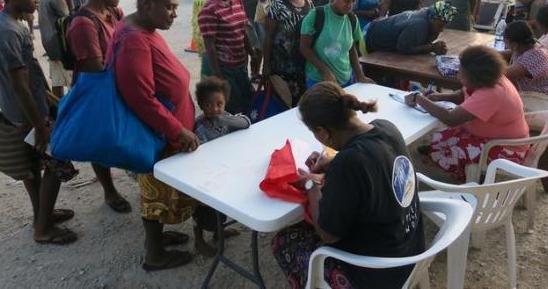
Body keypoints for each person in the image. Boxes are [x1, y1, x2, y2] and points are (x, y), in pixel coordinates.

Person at [272, 81, 425, 289]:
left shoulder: (350, 163)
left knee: (284, 240)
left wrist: (311, 185)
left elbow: (328, 235)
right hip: (410, 251)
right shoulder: (387, 127)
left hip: (378, 274)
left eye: (314, 133)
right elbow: (374, 159)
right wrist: (333, 161)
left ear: (323, 132)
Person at [107, 0, 201, 270]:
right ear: (148, 4)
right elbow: (141, 98)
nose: (175, 14)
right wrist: (177, 129)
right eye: (170, 8)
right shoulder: (134, 39)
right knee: (154, 190)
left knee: (161, 189)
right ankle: (155, 254)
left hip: (165, 130)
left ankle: (157, 239)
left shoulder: (143, 26)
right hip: (157, 134)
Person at [0, 0, 78, 245]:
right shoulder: (5, 31)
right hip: (26, 113)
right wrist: (39, 123)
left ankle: (42, 213)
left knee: (32, 165)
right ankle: (42, 229)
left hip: (29, 108)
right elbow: (19, 83)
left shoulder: (14, 22)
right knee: (56, 161)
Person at [407, 45, 529, 182]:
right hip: (495, 136)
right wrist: (441, 96)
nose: (458, 75)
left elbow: (451, 118)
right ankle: (441, 154)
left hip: (504, 147)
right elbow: (463, 94)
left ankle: (471, 179)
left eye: (461, 72)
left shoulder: (491, 93)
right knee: (442, 137)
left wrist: (418, 98)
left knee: (447, 148)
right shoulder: (490, 78)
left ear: (475, 76)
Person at [66, 0, 130, 214]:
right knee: (101, 140)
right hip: (98, 90)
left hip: (119, 83)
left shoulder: (114, 12)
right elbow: (95, 67)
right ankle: (109, 190)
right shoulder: (83, 23)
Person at [192, 76, 249, 255]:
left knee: (220, 204)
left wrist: (224, 119)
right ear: (201, 105)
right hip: (205, 174)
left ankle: (219, 231)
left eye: (220, 104)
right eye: (209, 105)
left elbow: (246, 122)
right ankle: (198, 240)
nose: (215, 108)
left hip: (223, 170)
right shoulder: (199, 125)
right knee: (201, 208)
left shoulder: (225, 118)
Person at [199, 0, 259, 115]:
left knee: (249, 101)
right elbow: (210, 47)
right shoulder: (209, 10)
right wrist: (218, 76)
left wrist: (251, 52)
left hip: (241, 63)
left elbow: (243, 29)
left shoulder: (237, 0)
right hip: (225, 67)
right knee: (234, 107)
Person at [300, 0, 373, 88]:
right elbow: (304, 48)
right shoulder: (317, 16)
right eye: (346, 1)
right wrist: (325, 71)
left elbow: (351, 49)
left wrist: (360, 75)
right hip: (319, 81)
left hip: (346, 80)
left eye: (353, 2)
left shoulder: (352, 19)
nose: (350, 5)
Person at [263, 0, 313, 104]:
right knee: (284, 105)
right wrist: (266, 65)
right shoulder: (278, 4)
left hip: (303, 64)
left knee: (302, 105)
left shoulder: (308, 1)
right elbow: (268, 37)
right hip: (282, 66)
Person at [36, 0, 73, 98]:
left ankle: (58, 112)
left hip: (49, 45)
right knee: (72, 84)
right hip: (61, 47)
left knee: (57, 82)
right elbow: (70, 19)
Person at [365, 1, 456, 55]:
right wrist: (432, 47)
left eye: (445, 26)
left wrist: (436, 47)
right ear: (432, 19)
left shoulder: (429, 14)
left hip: (378, 30)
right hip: (369, 35)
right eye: (440, 25)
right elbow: (403, 48)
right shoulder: (419, 25)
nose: (442, 29)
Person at [503, 21, 548, 97]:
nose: (505, 45)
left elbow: (504, 74)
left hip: (544, 100)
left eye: (506, 42)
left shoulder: (534, 57)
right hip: (535, 94)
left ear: (514, 45)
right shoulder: (530, 46)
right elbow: (508, 53)